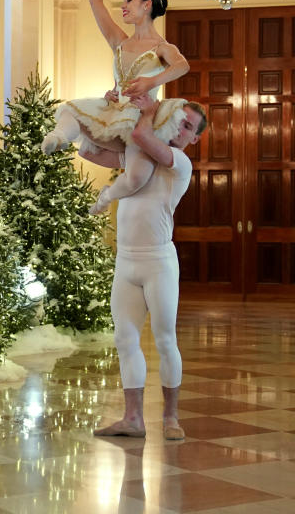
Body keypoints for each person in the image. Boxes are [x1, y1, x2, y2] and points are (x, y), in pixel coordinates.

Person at [88, 93, 207, 440]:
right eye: (178, 119)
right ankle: (133, 419)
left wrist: (148, 111)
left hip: (158, 263)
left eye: (188, 126)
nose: (180, 128)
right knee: (125, 339)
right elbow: (90, 150)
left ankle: (170, 417)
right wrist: (108, 109)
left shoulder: (180, 162)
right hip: (126, 261)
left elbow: (142, 135)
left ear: (194, 138)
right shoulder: (135, 153)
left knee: (165, 338)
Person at [41, 0, 190, 178]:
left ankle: (134, 160)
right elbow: (95, 2)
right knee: (72, 113)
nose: (123, 6)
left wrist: (151, 82)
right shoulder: (119, 41)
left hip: (136, 116)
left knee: (119, 152)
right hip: (111, 110)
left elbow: (182, 65)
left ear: (147, 5)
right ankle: (59, 138)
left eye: (129, 0)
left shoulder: (162, 47)